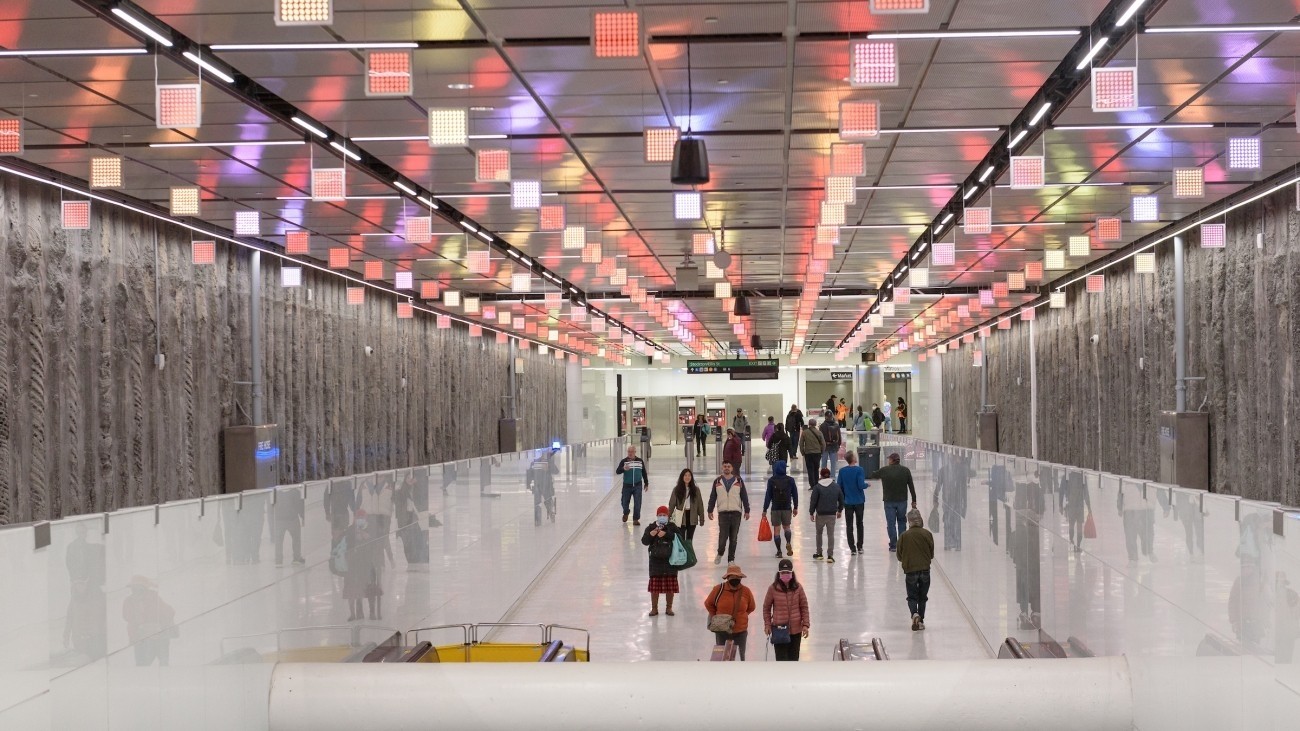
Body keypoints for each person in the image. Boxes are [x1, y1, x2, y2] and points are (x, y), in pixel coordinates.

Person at [705, 563, 757, 660]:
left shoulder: (746, 591)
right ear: (728, 578)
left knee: (740, 657)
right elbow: (708, 603)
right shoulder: (718, 589)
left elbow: (751, 607)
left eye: (737, 576)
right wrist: (714, 616)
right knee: (722, 658)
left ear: (741, 578)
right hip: (722, 630)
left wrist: (741, 616)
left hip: (740, 631)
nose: (735, 578)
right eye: (732, 576)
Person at [122, 576, 177, 666]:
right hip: (140, 639)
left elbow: (170, 612)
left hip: (158, 638)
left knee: (162, 665)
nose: (135, 590)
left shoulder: (154, 598)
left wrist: (156, 625)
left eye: (138, 588)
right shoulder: (129, 601)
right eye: (133, 588)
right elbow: (126, 616)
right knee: (142, 667)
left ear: (144, 588)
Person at [763, 558, 810, 661]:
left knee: (794, 659)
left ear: (792, 573)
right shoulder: (773, 589)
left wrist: (805, 624)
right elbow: (766, 608)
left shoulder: (798, 588)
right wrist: (767, 624)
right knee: (781, 660)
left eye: (788, 572)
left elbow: (804, 607)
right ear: (779, 573)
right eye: (783, 572)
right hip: (779, 631)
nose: (785, 574)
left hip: (796, 631)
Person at [897, 509, 935, 631]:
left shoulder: (904, 536)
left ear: (909, 522)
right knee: (922, 597)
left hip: (910, 570)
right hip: (924, 569)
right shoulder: (927, 534)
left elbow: (899, 555)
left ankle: (914, 614)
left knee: (912, 596)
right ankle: (921, 620)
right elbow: (931, 554)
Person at [871, 452, 917, 552]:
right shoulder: (905, 470)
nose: (888, 461)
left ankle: (893, 545)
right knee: (901, 522)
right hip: (902, 501)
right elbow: (911, 486)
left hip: (889, 501)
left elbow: (873, 475)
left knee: (891, 523)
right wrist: (914, 500)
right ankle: (902, 544)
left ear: (892, 460)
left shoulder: (885, 470)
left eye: (889, 459)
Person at [707, 461, 750, 564]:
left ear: (732, 468)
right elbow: (713, 496)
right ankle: (720, 553)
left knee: (733, 538)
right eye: (725, 466)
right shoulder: (717, 481)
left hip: (736, 513)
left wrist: (747, 510)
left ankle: (731, 559)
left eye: (728, 466)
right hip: (723, 513)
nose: (726, 468)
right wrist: (710, 509)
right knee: (723, 537)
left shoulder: (738, 481)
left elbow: (744, 496)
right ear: (722, 468)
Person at [641, 507, 681, 617]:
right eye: (660, 514)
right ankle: (654, 608)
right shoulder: (651, 527)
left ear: (668, 516)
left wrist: (666, 534)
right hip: (655, 561)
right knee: (655, 585)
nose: (662, 516)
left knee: (670, 585)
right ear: (657, 515)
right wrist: (651, 535)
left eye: (664, 514)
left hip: (670, 560)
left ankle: (669, 608)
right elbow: (644, 541)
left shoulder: (672, 527)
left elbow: (679, 538)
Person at [762, 460, 799, 558]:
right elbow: (795, 494)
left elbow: (768, 496)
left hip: (775, 508)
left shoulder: (771, 480)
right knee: (787, 527)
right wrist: (795, 507)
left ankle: (779, 551)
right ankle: (788, 542)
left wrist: (764, 509)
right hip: (787, 507)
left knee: (777, 530)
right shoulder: (790, 480)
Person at [836, 450, 868, 555]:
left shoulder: (842, 471)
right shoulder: (860, 470)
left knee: (849, 525)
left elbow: (839, 487)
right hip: (859, 501)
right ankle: (860, 546)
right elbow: (861, 485)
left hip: (848, 501)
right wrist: (867, 485)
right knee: (860, 523)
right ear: (853, 459)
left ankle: (852, 548)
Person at [809, 467, 843, 562]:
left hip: (820, 514)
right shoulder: (836, 486)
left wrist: (811, 512)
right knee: (830, 535)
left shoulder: (817, 487)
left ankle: (819, 553)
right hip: (832, 514)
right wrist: (840, 510)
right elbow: (841, 499)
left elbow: (813, 501)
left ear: (821, 475)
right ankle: (830, 556)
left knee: (819, 534)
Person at [271, 485, 307, 567]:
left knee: (279, 541)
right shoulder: (295, 492)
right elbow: (300, 505)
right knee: (296, 538)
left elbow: (272, 507)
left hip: (279, 519)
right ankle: (296, 558)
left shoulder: (276, 492)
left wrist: (272, 520)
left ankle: (278, 561)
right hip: (292, 519)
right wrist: (303, 517)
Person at [667, 469, 705, 541]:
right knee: (681, 538)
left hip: (692, 516)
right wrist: (668, 516)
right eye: (685, 475)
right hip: (681, 517)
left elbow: (700, 504)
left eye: (689, 475)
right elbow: (672, 504)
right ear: (682, 477)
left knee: (689, 538)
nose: (687, 477)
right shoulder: (677, 489)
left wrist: (702, 518)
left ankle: (688, 551)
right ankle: (682, 552)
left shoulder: (696, 490)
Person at [615, 445, 649, 525]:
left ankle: (636, 519)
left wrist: (646, 483)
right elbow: (617, 471)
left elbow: (644, 472)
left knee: (637, 502)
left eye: (631, 452)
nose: (630, 453)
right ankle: (626, 512)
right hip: (627, 485)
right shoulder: (624, 461)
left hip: (638, 485)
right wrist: (623, 468)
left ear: (635, 452)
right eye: (629, 452)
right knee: (624, 502)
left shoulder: (640, 461)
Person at [1059, 470, 1092, 554]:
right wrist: (1089, 507)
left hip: (1071, 505)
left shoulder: (1066, 477)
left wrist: (1060, 505)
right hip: (1079, 505)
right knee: (1079, 526)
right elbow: (1086, 493)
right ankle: (1078, 546)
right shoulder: (1082, 477)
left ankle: (1072, 540)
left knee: (1071, 524)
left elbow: (1061, 492)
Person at [798, 418, 825, 489]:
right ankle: (816, 483)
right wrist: (821, 451)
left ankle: (812, 485)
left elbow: (801, 444)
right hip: (817, 453)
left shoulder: (804, 432)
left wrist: (802, 452)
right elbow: (823, 444)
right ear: (815, 424)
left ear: (809, 424)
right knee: (816, 468)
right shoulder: (819, 432)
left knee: (810, 469)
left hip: (808, 453)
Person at [784, 404, 804, 468]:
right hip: (796, 430)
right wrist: (802, 427)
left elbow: (786, 422)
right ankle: (794, 454)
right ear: (796, 408)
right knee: (795, 442)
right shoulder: (798, 414)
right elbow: (802, 421)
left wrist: (786, 429)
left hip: (790, 430)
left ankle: (791, 454)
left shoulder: (789, 414)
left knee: (791, 442)